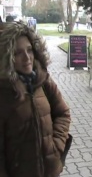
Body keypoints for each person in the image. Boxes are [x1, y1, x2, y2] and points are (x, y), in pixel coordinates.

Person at [0, 21, 71, 177]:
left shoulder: (43, 80)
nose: (27, 58)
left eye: (29, 50)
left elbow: (63, 112)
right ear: (8, 57)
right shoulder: (4, 92)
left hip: (50, 172)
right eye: (18, 53)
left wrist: (56, 147)